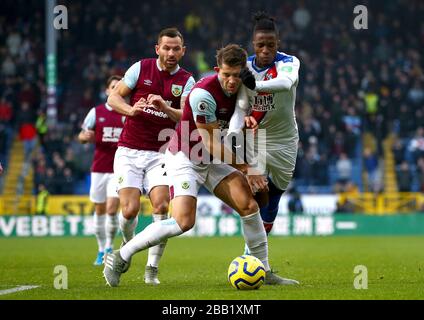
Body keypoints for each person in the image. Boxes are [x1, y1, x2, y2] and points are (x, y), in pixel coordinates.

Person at [103, 44, 299, 287]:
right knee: (184, 222)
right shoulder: (202, 94)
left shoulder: (244, 90)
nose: (230, 81)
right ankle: (121, 256)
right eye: (226, 75)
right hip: (187, 157)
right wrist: (247, 168)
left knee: (249, 206)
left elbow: (237, 128)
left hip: (214, 159)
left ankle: (265, 270)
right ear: (217, 70)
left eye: (236, 75)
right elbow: (211, 142)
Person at [106, 27, 195, 284]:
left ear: (182, 51)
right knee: (130, 209)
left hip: (161, 153)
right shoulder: (140, 68)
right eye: (166, 48)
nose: (170, 53)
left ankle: (152, 268)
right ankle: (127, 244)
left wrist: (165, 107)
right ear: (157, 49)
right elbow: (113, 98)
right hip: (129, 151)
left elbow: (187, 116)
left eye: (176, 48)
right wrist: (131, 111)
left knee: (162, 206)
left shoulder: (186, 81)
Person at [230, 12, 301, 240]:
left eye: (270, 45)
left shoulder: (289, 62)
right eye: (260, 45)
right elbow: (241, 106)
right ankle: (252, 259)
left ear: (277, 43)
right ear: (254, 44)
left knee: (276, 194)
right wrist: (233, 131)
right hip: (256, 139)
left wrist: (256, 85)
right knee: (257, 192)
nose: (265, 50)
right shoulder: (245, 66)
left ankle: (258, 254)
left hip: (285, 140)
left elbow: (285, 83)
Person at [78, 75, 124, 266]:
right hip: (99, 168)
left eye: (119, 86)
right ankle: (99, 249)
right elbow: (82, 135)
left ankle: (108, 247)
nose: (116, 89)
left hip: (118, 168)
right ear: (107, 90)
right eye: (113, 86)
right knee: (99, 209)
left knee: (112, 209)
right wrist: (84, 137)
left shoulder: (127, 113)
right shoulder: (96, 112)